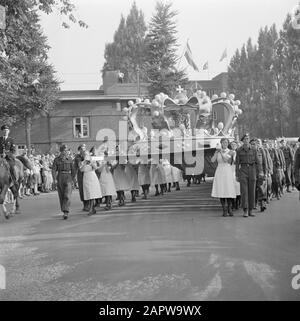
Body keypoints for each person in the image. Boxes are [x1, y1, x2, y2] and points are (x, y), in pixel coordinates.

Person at [235, 134, 263, 217]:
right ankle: (245, 210)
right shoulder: (239, 150)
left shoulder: (254, 149)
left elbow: (258, 162)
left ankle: (251, 209)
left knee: (252, 190)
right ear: (242, 140)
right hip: (243, 170)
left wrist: (260, 172)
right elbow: (237, 163)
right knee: (244, 191)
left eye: (248, 139)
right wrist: (237, 174)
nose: (246, 140)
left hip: (252, 170)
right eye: (245, 139)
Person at [211, 138, 236, 217]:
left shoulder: (231, 151)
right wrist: (216, 152)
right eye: (223, 142)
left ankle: (229, 208)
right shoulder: (218, 151)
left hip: (227, 170)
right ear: (221, 143)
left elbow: (225, 160)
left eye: (226, 142)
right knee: (221, 189)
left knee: (228, 189)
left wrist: (221, 152)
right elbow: (212, 160)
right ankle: (224, 209)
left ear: (228, 143)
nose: (225, 144)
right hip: (219, 171)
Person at [52, 145, 75, 220]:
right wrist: (54, 179)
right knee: (61, 195)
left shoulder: (70, 159)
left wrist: (72, 179)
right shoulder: (56, 160)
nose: (66, 152)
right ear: (61, 151)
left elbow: (73, 170)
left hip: (68, 176)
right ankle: (64, 209)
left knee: (67, 195)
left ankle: (66, 211)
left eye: (67, 150)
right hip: (60, 177)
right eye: (64, 150)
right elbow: (54, 170)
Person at [79, 151, 102, 215]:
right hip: (86, 178)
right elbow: (81, 170)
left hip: (92, 177)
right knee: (88, 193)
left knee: (92, 193)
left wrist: (91, 163)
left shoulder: (92, 161)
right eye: (84, 155)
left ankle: (91, 209)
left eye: (86, 154)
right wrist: (84, 164)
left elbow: (96, 168)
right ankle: (92, 208)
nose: (85, 156)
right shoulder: (82, 162)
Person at [74, 144, 89, 211]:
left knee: (88, 188)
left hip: (88, 174)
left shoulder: (87, 155)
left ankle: (90, 204)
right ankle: (85, 204)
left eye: (85, 148)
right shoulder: (77, 157)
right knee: (82, 189)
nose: (84, 150)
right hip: (81, 175)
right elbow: (79, 166)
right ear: (79, 150)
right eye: (82, 149)